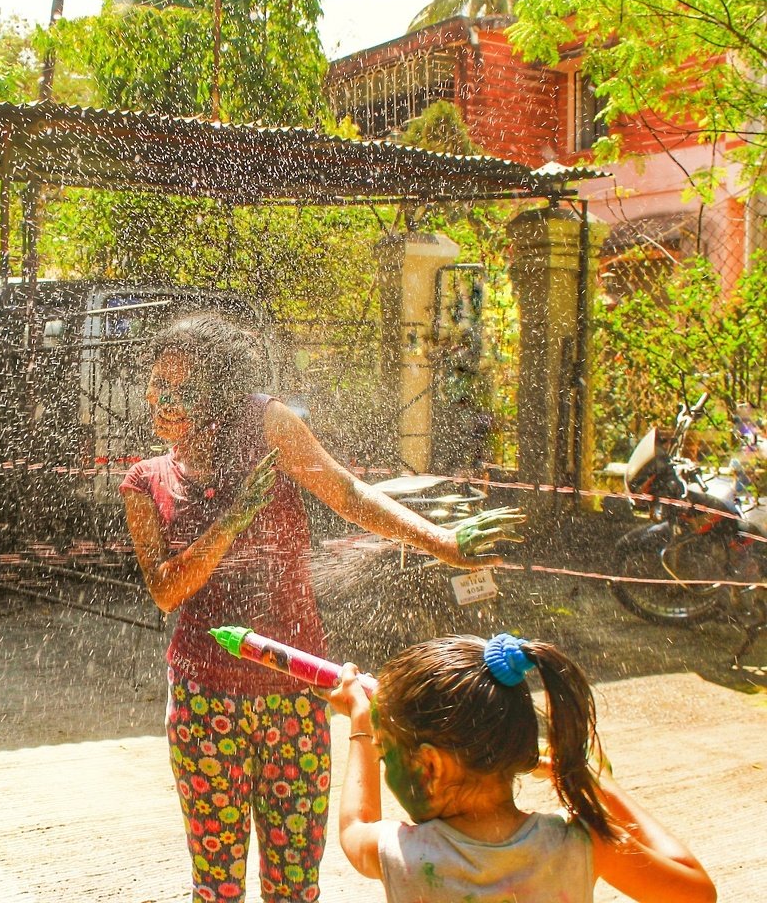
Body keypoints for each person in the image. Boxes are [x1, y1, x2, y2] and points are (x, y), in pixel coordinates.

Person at [119, 312, 524, 903]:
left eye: (182, 391)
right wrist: (232, 522)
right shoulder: (143, 480)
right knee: (217, 886)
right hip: (205, 701)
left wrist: (441, 540)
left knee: (294, 884)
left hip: (297, 691)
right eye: (156, 387)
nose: (162, 403)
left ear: (221, 395)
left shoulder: (268, 426)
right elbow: (166, 590)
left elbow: (349, 493)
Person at [327, 633, 717, 903]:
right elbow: (696, 892)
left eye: (385, 754)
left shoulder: (404, 854)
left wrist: (361, 725)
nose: (383, 761)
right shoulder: (580, 845)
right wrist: (597, 783)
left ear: (430, 766)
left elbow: (354, 827)